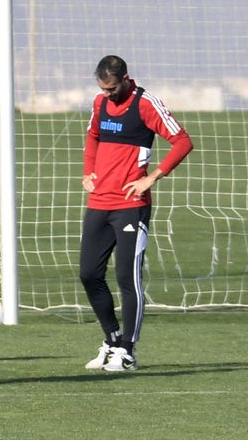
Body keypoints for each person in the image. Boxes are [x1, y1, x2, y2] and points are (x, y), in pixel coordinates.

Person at [79, 55, 193, 372]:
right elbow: (93, 136)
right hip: (99, 202)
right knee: (88, 273)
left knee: (127, 278)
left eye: (113, 89)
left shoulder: (146, 103)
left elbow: (183, 141)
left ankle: (127, 350)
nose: (108, 95)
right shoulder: (100, 104)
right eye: (103, 89)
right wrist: (89, 172)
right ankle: (112, 340)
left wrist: (151, 177)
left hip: (131, 206)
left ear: (126, 79)